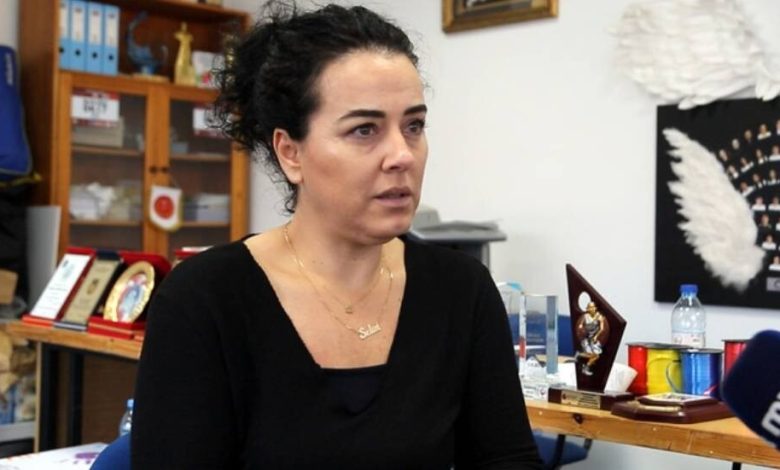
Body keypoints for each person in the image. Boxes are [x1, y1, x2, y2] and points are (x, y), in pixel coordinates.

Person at [131, 3, 542, 469]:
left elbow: (507, 460)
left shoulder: (461, 291)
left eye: (413, 126)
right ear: (291, 153)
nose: (402, 155)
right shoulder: (205, 300)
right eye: (364, 130)